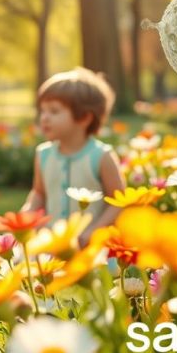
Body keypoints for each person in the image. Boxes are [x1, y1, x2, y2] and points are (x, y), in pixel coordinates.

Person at [21, 67, 126, 246]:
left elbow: (119, 201)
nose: (44, 118)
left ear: (85, 118)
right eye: (43, 111)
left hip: (91, 247)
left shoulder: (101, 156)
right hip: (54, 243)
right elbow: (39, 192)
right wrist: (28, 213)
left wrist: (93, 231)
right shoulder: (43, 154)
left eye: (53, 111)